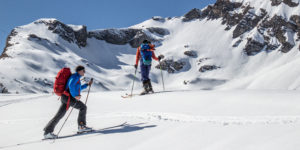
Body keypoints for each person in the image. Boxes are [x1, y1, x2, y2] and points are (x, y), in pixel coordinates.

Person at [43, 65, 93, 139]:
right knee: (83, 107)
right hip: (68, 98)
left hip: (65, 97)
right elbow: (71, 86)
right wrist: (76, 96)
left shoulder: (76, 77)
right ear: (79, 71)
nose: (84, 72)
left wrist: (86, 85)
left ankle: (47, 132)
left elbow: (78, 88)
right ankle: (81, 126)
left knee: (59, 115)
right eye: (83, 71)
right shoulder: (75, 77)